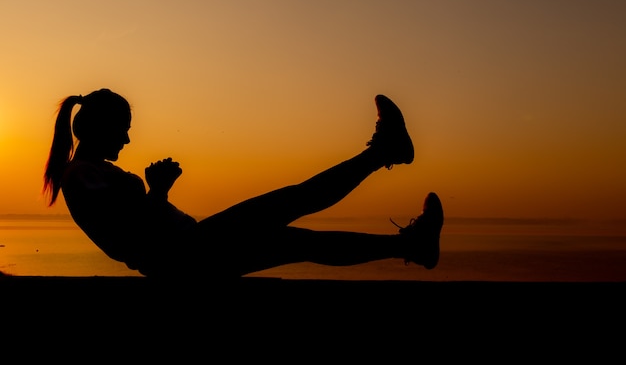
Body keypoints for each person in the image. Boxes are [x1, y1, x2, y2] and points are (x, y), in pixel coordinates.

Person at [43, 88, 444, 279]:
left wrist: (158, 193)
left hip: (191, 252)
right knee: (297, 202)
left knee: (303, 237)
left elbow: (135, 229)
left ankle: (411, 242)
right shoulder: (81, 175)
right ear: (99, 127)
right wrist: (160, 190)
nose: (127, 139)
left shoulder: (89, 172)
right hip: (188, 257)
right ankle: (383, 154)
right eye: (123, 130)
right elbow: (128, 240)